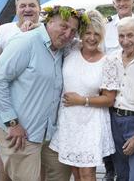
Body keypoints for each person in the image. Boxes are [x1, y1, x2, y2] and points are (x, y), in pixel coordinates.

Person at [0, 6, 80, 180]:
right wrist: (13, 123)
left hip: (45, 132)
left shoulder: (61, 48)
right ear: (49, 22)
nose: (68, 34)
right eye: (64, 27)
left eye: (73, 30)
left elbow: (91, 37)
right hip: (16, 128)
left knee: (60, 173)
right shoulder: (26, 42)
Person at [49, 10, 118, 181]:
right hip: (69, 120)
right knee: (77, 173)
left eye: (97, 34)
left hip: (91, 122)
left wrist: (82, 100)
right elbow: (52, 34)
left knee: (87, 173)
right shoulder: (70, 49)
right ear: (81, 33)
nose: (92, 38)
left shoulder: (108, 61)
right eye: (88, 33)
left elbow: (109, 99)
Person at [0, 0, 41, 181]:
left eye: (32, 5)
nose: (27, 9)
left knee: (36, 164)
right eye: (23, 5)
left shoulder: (47, 31)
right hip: (6, 110)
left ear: (40, 8)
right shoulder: (5, 30)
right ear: (16, 8)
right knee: (5, 160)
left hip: (35, 111)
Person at [104, 0, 134, 180]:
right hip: (113, 102)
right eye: (118, 0)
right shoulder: (107, 25)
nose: (122, 3)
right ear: (114, 3)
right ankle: (109, 168)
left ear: (133, 1)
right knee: (120, 167)